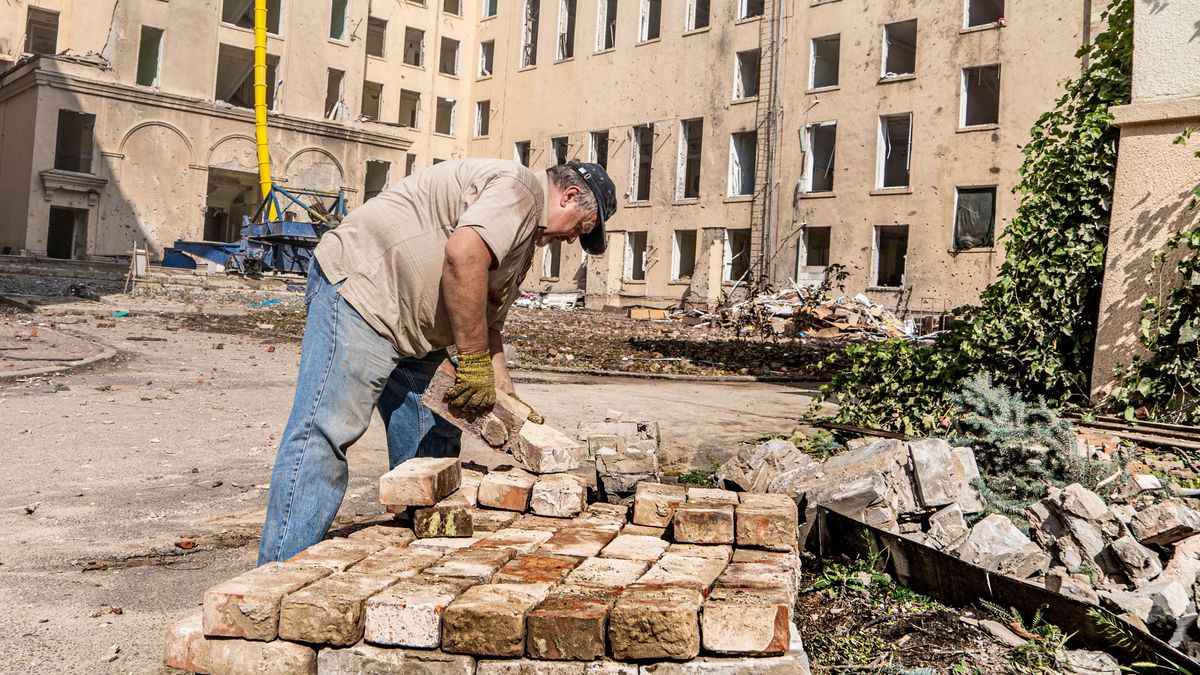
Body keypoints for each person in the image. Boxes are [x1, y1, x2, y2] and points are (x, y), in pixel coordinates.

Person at [257, 158, 617, 565]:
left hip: (417, 329)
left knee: (434, 446)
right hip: (364, 294)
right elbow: (463, 255)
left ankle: (418, 558)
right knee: (325, 432)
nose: (572, 240)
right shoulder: (518, 190)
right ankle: (276, 575)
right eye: (581, 228)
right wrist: (474, 362)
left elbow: (488, 318)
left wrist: (505, 396)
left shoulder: (525, 238)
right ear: (569, 196)